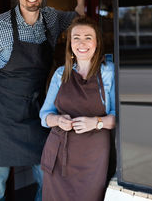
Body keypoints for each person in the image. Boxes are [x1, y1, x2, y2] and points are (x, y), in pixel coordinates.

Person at [0, 0, 90, 201]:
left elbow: (76, 18)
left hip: (37, 113)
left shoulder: (51, 19)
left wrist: (79, 0)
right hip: (1, 117)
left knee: (47, 180)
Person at [39, 16, 116, 201]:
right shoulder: (61, 73)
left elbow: (118, 116)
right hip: (59, 154)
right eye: (76, 37)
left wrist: (96, 122)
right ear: (70, 43)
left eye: (88, 37)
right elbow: (44, 115)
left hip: (93, 156)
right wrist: (57, 120)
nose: (82, 43)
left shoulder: (109, 71)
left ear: (97, 42)